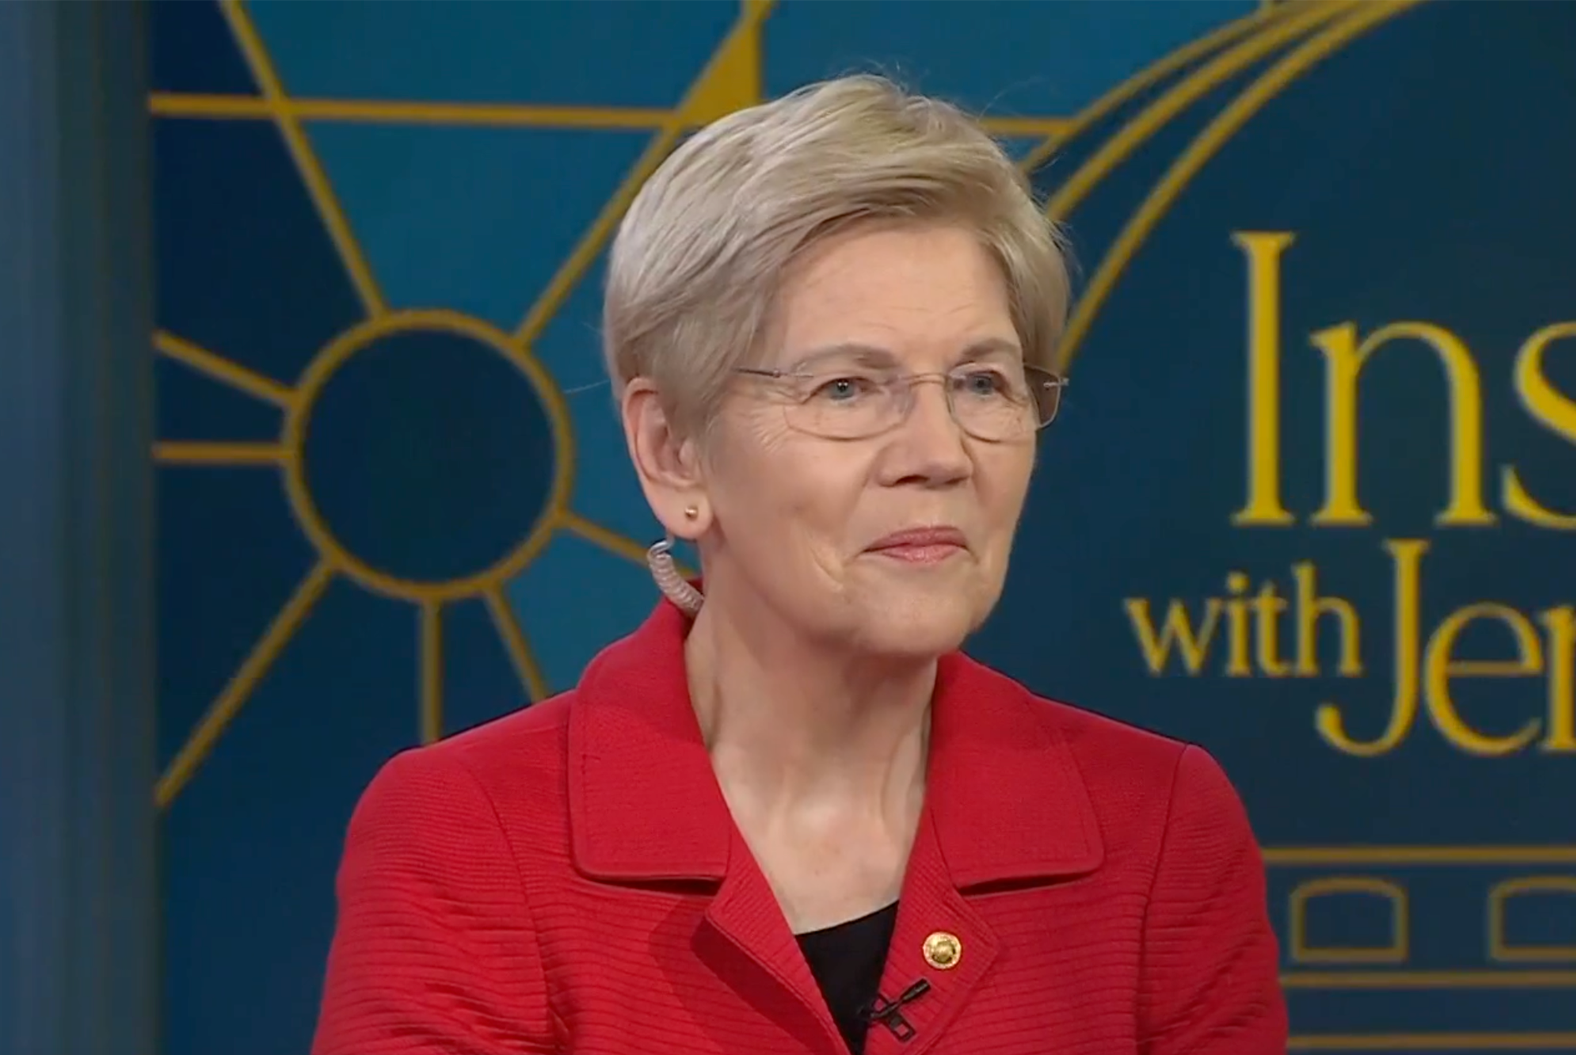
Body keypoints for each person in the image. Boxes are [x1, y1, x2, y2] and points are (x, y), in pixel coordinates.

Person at [310, 73, 1287, 1055]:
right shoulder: (472, 834)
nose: (939, 452)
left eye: (981, 382)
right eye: (847, 387)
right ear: (673, 451)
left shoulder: (1156, 830)